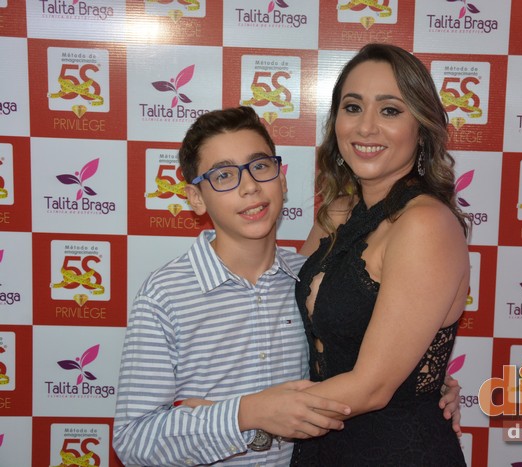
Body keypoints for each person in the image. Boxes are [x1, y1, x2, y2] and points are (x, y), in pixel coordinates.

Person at [112, 106, 462, 466]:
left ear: (281, 179)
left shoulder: (311, 282)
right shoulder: (166, 296)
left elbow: (366, 355)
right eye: (223, 175)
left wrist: (424, 385)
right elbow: (134, 440)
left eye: (260, 166)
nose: (249, 187)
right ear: (196, 197)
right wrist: (243, 415)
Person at [291, 43, 471, 466]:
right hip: (319, 445)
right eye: (352, 108)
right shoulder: (337, 213)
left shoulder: (425, 224)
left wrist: (242, 415)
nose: (366, 127)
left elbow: (372, 388)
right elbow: (286, 324)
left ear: (421, 128)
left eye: (390, 110)